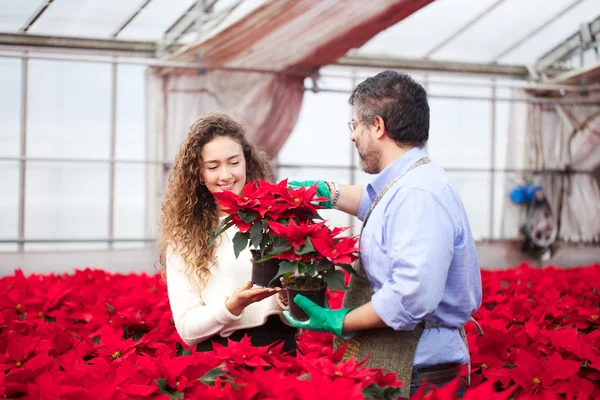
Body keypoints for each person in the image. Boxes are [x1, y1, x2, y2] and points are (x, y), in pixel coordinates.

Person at [284, 70, 482, 397]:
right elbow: (381, 205)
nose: (352, 136)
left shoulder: (419, 195)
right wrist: (326, 193)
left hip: (419, 371)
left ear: (377, 126)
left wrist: (341, 320)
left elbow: (412, 295)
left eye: (355, 125)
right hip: (414, 362)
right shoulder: (411, 180)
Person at [158, 112, 296, 354]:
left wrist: (288, 296)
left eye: (234, 162)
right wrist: (232, 306)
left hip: (282, 351)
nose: (226, 175)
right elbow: (188, 330)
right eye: (213, 166)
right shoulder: (185, 238)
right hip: (220, 360)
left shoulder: (278, 219)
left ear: (247, 162)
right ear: (199, 174)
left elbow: (304, 311)